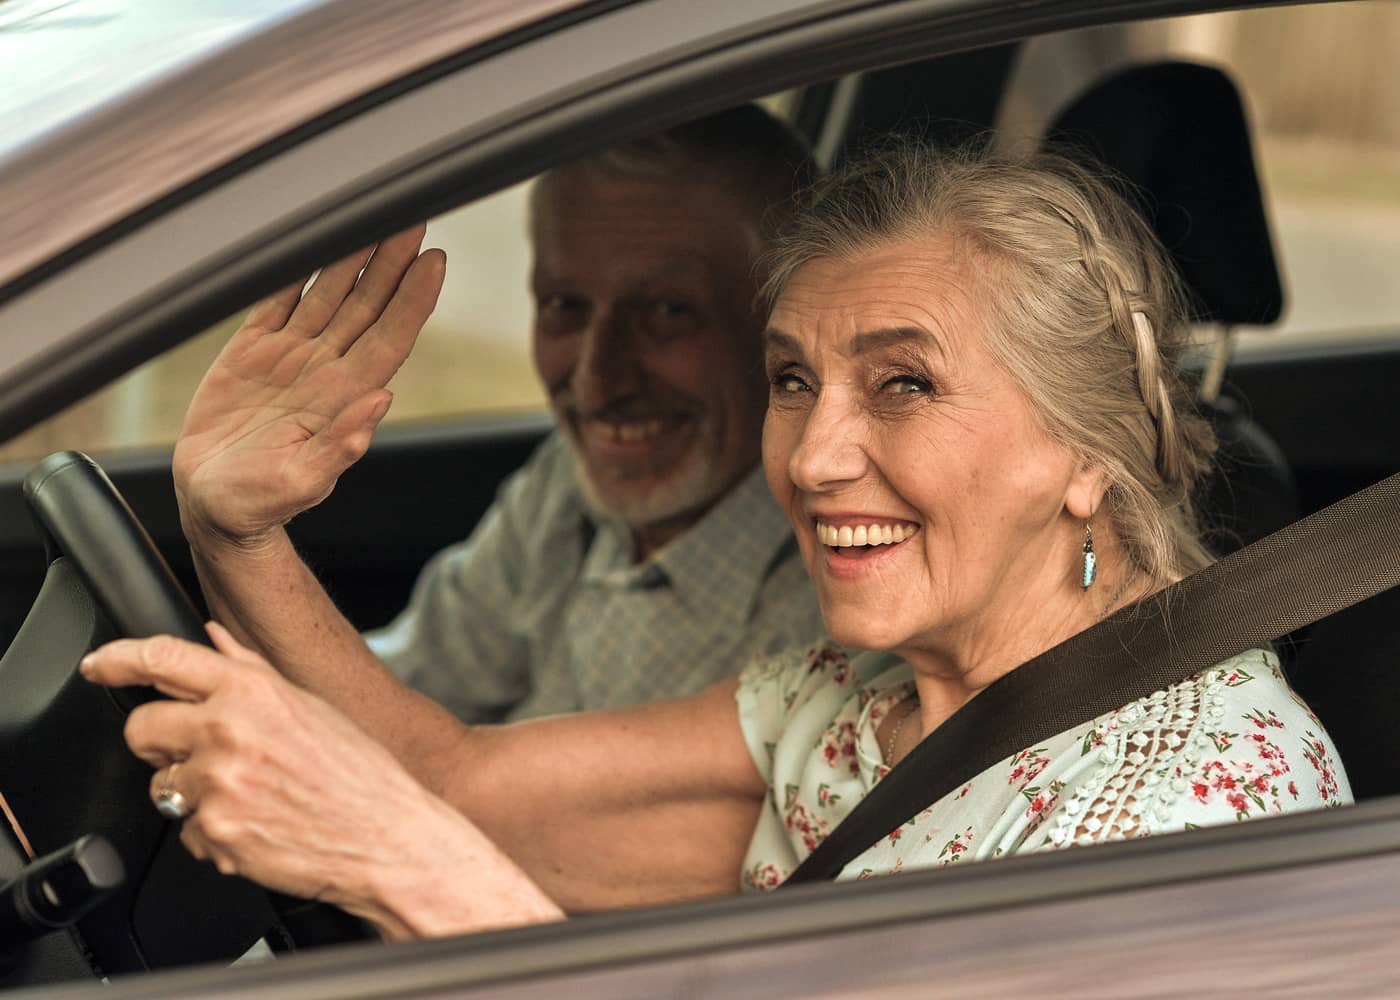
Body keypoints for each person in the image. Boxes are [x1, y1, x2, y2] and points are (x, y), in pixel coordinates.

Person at [83, 142, 1351, 942]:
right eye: (794, 379)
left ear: (1085, 453)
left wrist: (410, 870)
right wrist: (234, 528)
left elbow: (428, 829)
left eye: (899, 384)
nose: (807, 458)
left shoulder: (1192, 808)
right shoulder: (849, 703)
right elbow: (460, 788)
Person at [173, 105, 823, 726]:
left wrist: (239, 538)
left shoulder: (830, 592)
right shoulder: (566, 488)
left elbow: (464, 783)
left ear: (785, 328)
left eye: (667, 312)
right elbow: (401, 686)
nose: (598, 379)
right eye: (565, 305)